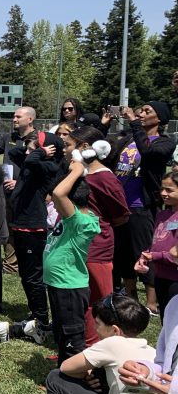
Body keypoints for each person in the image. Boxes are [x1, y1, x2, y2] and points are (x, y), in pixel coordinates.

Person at [4, 106, 64, 344]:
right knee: (27, 276)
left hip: (33, 226)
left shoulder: (48, 167)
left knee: (33, 276)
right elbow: (18, 154)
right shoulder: (33, 160)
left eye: (35, 145)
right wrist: (32, 148)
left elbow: (30, 160)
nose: (29, 149)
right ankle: (36, 313)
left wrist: (38, 153)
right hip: (21, 224)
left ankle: (42, 320)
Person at [67, 126, 130, 348]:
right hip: (76, 245)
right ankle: (79, 345)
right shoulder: (79, 173)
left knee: (98, 300)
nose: (65, 150)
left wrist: (95, 226)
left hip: (96, 247)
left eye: (68, 145)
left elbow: (121, 215)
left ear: (84, 147)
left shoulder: (104, 177)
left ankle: (98, 348)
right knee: (79, 299)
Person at [112, 101, 175, 313]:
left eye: (148, 112)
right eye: (142, 110)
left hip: (142, 205)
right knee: (122, 253)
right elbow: (110, 157)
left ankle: (151, 301)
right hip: (121, 205)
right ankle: (130, 296)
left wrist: (135, 125)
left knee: (144, 250)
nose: (141, 113)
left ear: (160, 119)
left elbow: (148, 152)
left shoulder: (165, 142)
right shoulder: (129, 139)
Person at [44, 157, 100, 363]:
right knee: (60, 327)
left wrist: (77, 169)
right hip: (58, 283)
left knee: (72, 332)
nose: (55, 205)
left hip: (69, 286)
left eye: (59, 204)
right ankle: (64, 360)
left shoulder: (80, 221)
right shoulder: (74, 219)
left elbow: (59, 193)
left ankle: (71, 375)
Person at [136, 171, 178, 318]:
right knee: (165, 321)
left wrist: (153, 255)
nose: (163, 193)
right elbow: (156, 240)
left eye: (169, 190)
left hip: (175, 279)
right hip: (161, 276)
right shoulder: (162, 214)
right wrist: (145, 255)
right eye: (162, 189)